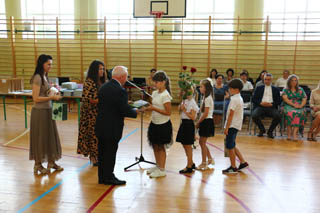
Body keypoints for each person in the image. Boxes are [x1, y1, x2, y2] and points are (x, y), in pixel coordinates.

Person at [95, 66, 139, 185]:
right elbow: (123, 110)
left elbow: (111, 105)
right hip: (112, 127)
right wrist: (135, 112)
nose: (126, 79)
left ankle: (102, 177)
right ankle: (109, 177)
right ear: (122, 76)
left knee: (102, 153)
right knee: (110, 153)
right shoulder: (120, 90)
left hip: (101, 125)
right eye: (126, 76)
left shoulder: (104, 87)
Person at [29, 54, 63, 174]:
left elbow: (45, 93)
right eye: (48, 64)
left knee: (50, 137)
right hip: (40, 112)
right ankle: (37, 164)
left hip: (48, 111)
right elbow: (36, 98)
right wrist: (52, 97)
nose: (50, 66)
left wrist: (53, 90)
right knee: (40, 138)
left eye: (51, 64)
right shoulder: (37, 77)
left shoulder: (45, 76)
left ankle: (51, 162)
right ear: (42, 64)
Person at [77, 60, 105, 166]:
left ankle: (97, 156)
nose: (102, 71)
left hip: (98, 113)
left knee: (98, 136)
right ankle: (93, 158)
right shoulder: (89, 82)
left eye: (103, 69)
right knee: (92, 136)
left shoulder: (101, 81)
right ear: (94, 70)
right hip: (90, 115)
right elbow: (91, 100)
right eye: (100, 69)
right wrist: (106, 99)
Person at [146, 71, 173, 178]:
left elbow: (168, 112)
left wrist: (153, 108)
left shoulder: (166, 95)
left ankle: (162, 169)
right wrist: (146, 107)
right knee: (155, 145)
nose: (154, 84)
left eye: (156, 82)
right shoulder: (155, 93)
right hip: (154, 123)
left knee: (161, 147)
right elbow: (154, 106)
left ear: (163, 82)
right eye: (154, 82)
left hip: (163, 124)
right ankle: (158, 166)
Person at [223, 79, 249, 174]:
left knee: (230, 146)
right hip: (236, 124)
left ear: (236, 89)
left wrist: (226, 128)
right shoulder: (238, 98)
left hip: (232, 125)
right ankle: (242, 162)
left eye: (231, 88)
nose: (229, 89)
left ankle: (233, 167)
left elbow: (230, 115)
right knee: (232, 144)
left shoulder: (234, 99)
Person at [176, 87, 199, 173]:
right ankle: (191, 162)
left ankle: (189, 166)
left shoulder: (192, 103)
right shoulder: (185, 101)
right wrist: (180, 107)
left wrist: (184, 110)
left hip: (189, 124)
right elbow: (179, 111)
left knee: (188, 145)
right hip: (183, 123)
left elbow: (193, 117)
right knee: (184, 144)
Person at [252, 73, 281, 138]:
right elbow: (254, 99)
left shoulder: (276, 89)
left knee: (278, 116)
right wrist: (260, 103)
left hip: (271, 107)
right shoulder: (259, 88)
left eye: (268, 80)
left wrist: (272, 104)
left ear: (271, 80)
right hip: (261, 106)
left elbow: (279, 101)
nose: (267, 81)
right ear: (263, 80)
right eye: (265, 79)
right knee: (254, 115)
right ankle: (262, 130)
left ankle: (270, 131)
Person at [195, 79, 215, 170]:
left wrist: (198, 122)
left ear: (206, 88)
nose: (199, 88)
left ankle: (204, 163)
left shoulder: (208, 98)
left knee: (202, 142)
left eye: (201, 86)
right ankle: (210, 159)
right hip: (206, 121)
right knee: (202, 142)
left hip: (207, 121)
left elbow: (206, 113)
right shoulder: (205, 97)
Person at [282, 75, 307, 141]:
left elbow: (304, 99)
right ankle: (289, 133)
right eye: (292, 80)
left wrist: (301, 105)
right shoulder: (285, 89)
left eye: (295, 80)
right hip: (288, 105)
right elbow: (285, 99)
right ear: (289, 81)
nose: (294, 82)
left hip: (299, 105)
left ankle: (295, 133)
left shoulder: (301, 89)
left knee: (299, 113)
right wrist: (293, 105)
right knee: (290, 113)